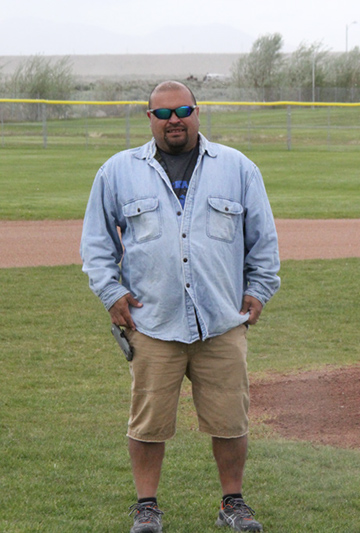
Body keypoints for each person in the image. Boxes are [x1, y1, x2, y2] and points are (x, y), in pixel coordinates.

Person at [80, 80, 280, 533]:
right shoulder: (117, 171)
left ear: (197, 112)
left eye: (183, 110)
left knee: (230, 419)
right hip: (153, 322)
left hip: (221, 321)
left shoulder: (237, 167)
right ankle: (146, 507)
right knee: (147, 422)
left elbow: (263, 240)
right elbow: (95, 243)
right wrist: (110, 293)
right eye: (164, 113)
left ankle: (233, 502)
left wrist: (260, 289)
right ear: (148, 118)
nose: (175, 120)